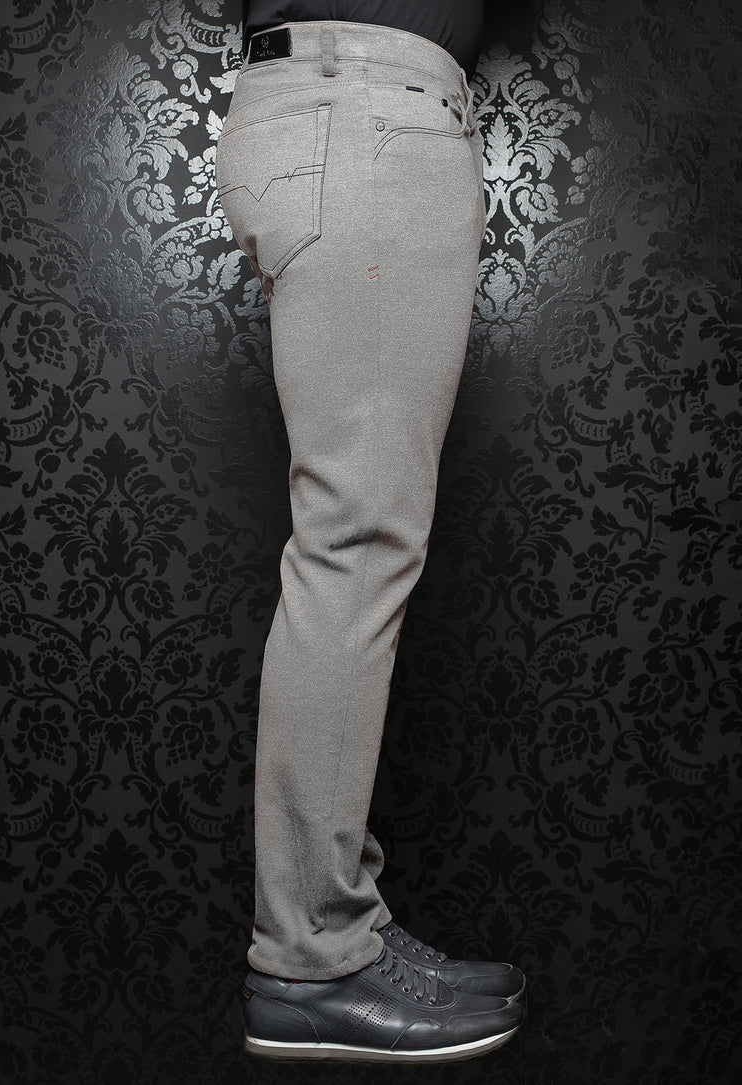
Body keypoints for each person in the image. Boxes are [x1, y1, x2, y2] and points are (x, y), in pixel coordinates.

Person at [215, 1, 526, 1063]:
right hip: (366, 112)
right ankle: (309, 955)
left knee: (355, 540)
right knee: (355, 544)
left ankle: (340, 914)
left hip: (350, 110)